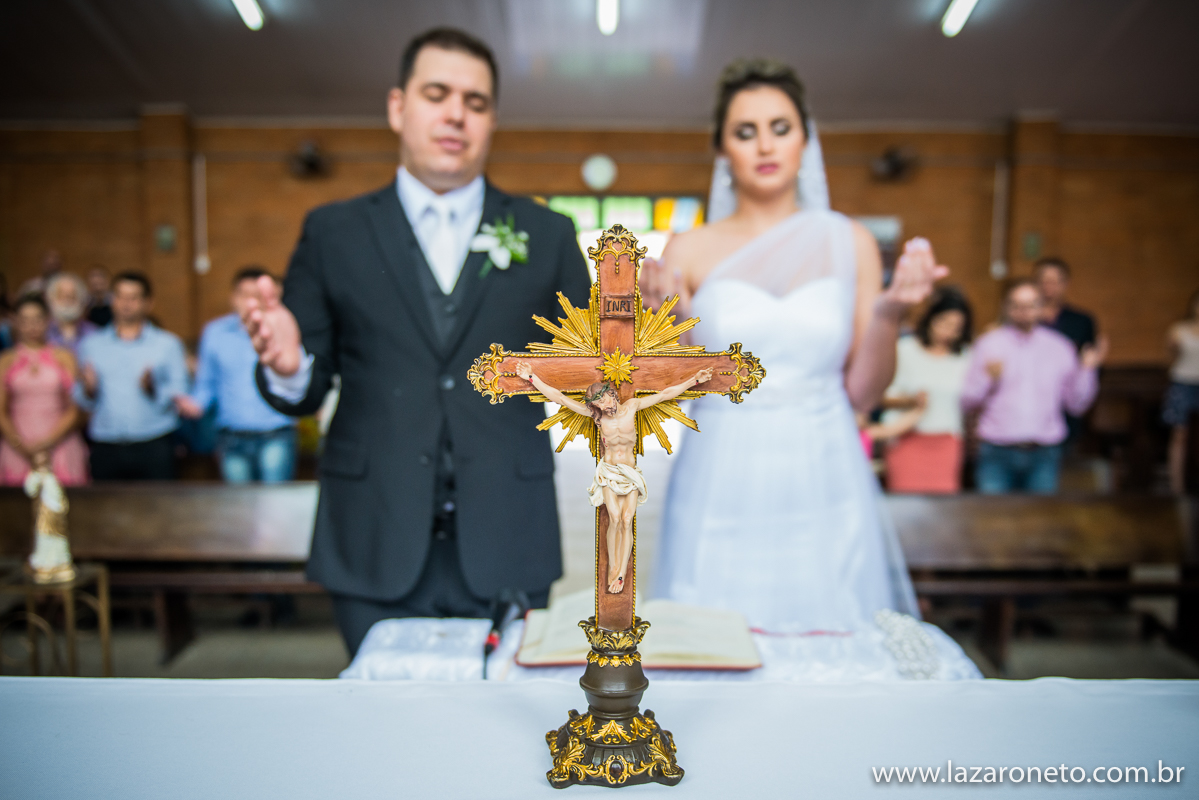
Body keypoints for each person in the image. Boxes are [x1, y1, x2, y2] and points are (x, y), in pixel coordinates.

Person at [242, 28, 591, 656]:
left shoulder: (548, 233)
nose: (456, 113)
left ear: (491, 121)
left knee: (501, 737)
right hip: (373, 531)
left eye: (476, 101)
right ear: (399, 107)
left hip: (509, 530)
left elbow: (589, 377)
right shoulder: (333, 232)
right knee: (380, 736)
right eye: (437, 94)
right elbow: (304, 386)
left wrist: (626, 339)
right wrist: (291, 366)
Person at [641, 59, 954, 641]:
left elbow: (863, 392)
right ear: (721, 150)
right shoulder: (688, 248)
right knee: (714, 636)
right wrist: (675, 323)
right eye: (745, 130)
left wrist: (890, 313)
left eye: (780, 127)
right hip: (722, 469)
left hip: (824, 465)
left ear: (806, 140)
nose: (765, 144)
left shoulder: (848, 241)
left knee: (831, 634)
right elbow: (670, 387)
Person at [516, 363, 713, 594]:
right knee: (615, 518)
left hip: (629, 472)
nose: (603, 406)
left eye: (604, 401)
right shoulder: (597, 417)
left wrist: (694, 381)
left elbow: (664, 394)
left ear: (611, 395)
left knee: (627, 519)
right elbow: (559, 398)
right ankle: (613, 567)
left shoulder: (632, 407)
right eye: (597, 405)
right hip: (609, 472)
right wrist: (531, 378)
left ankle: (621, 571)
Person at [961, 279, 1106, 494]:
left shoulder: (1060, 347)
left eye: (1030, 305)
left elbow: (1076, 405)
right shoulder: (989, 344)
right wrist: (987, 379)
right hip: (996, 450)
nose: (1023, 312)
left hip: (1044, 453)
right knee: (992, 522)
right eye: (1017, 305)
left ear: (1041, 308)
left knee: (1040, 522)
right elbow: (967, 400)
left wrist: (1087, 370)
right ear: (1006, 307)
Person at [176, 267, 298, 483]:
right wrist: (194, 404)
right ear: (233, 298)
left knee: (278, 508)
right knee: (238, 510)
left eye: (258, 295)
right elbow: (207, 383)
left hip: (275, 433)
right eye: (245, 295)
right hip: (231, 437)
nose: (252, 302)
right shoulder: (215, 332)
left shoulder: (283, 328)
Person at [75, 272, 189, 480]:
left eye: (134, 297)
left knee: (159, 510)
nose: (126, 303)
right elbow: (80, 399)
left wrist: (154, 389)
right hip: (106, 444)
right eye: (120, 296)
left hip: (154, 442)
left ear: (148, 303)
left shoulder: (167, 344)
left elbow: (180, 392)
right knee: (104, 510)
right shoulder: (91, 345)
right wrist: (88, 390)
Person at [882, 288, 973, 493]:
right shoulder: (905, 349)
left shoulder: (964, 357)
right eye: (943, 322)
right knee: (906, 506)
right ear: (930, 318)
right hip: (906, 438)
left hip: (946, 441)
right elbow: (880, 396)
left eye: (956, 327)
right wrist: (910, 401)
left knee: (943, 509)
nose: (947, 332)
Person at [0, 295, 89, 486]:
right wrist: (20, 445)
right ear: (15, 322)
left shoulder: (64, 357)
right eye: (25, 320)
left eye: (38, 319)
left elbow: (75, 407)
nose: (32, 326)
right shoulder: (6, 360)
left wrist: (46, 443)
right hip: (17, 444)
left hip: (60, 442)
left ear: (48, 320)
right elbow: (1, 411)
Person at [1164, 289, 1199, 495]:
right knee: (1180, 436)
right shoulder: (1179, 330)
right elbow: (1169, 359)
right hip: (1182, 383)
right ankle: (1176, 486)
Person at [1035, 257, 1096, 352]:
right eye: (1044, 281)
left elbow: (1087, 357)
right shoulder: (1023, 319)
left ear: (1066, 283)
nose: (1048, 287)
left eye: (1054, 282)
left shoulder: (1081, 322)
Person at [45, 272, 98, 356]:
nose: (67, 299)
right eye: (61, 295)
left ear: (81, 299)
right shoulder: (43, 331)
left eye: (72, 295)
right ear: (51, 299)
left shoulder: (93, 332)